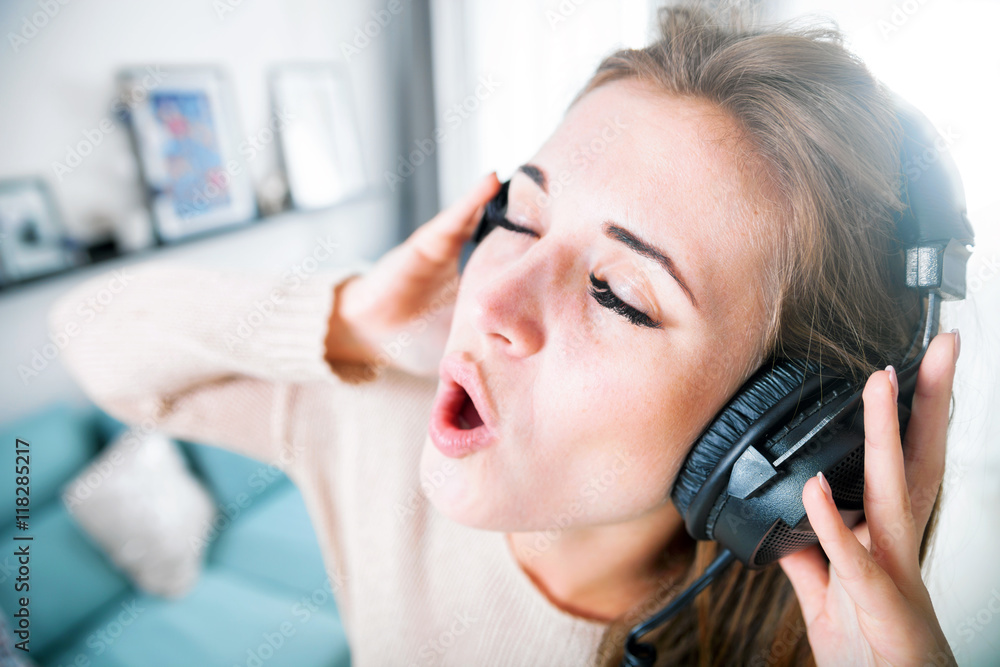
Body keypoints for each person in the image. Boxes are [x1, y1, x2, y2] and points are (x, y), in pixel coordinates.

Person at [50, 4, 962, 665]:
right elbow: (90, 335)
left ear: (775, 436)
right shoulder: (374, 416)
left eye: (616, 292)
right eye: (518, 219)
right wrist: (346, 316)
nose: (488, 304)